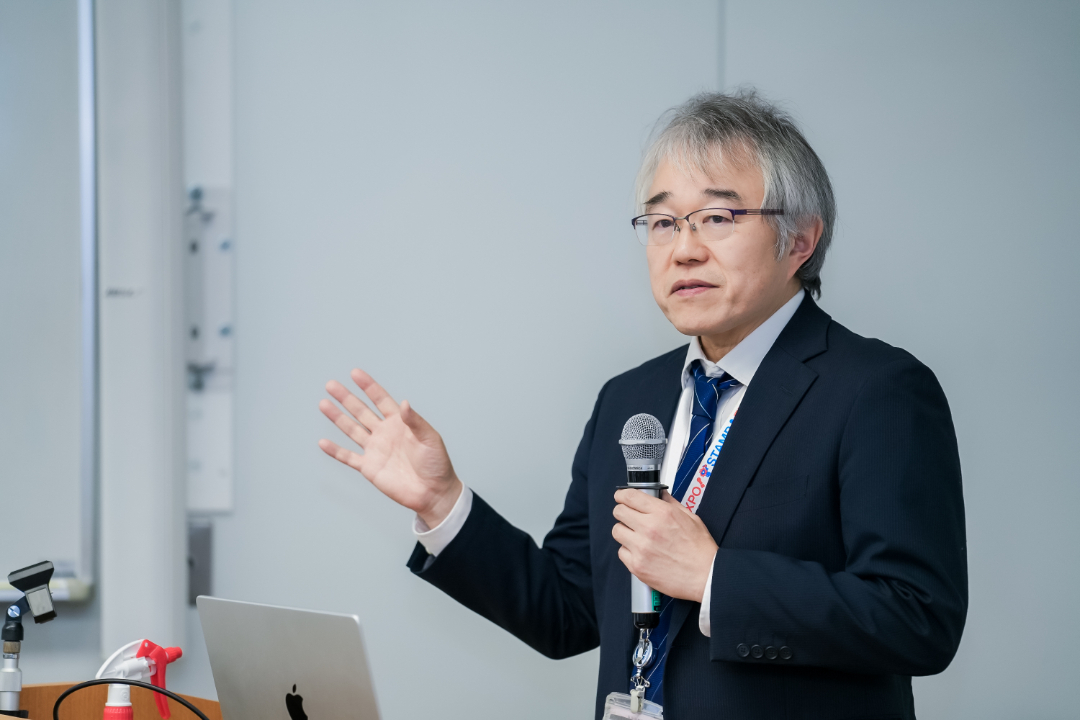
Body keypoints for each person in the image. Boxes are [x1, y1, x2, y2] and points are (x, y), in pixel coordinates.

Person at [318, 90, 967, 720]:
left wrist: (713, 577)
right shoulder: (628, 399)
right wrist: (443, 504)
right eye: (662, 223)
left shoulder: (876, 389)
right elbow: (569, 611)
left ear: (799, 239)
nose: (684, 248)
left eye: (718, 217)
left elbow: (918, 617)